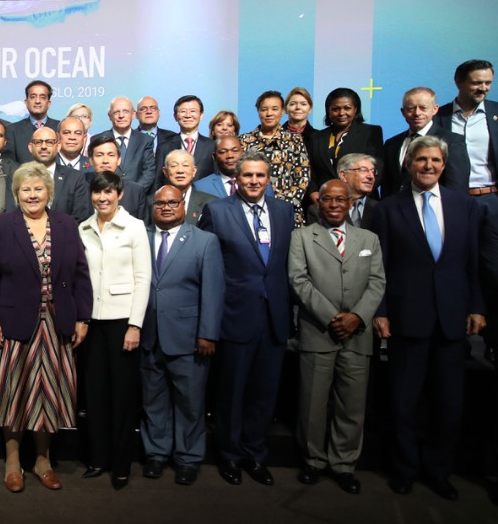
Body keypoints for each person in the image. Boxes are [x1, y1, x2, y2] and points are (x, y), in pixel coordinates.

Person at [372, 135, 485, 501]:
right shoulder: (389, 208)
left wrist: (477, 306)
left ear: (443, 164)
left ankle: (439, 471)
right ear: (408, 164)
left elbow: (472, 263)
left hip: (452, 318)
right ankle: (404, 469)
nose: (429, 166)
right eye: (422, 160)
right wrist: (383, 312)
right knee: (405, 401)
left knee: (448, 404)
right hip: (407, 318)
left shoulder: (464, 206)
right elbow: (382, 266)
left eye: (436, 160)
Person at [0, 162, 93, 492]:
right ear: (16, 194)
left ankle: (43, 459)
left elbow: (80, 274)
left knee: (47, 396)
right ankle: (12, 461)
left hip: (56, 326)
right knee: (13, 395)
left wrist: (83, 317)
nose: (32, 194)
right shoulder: (1, 225)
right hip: (13, 325)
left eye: (38, 188)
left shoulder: (67, 225)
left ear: (49, 192)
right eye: (25, 189)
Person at [197, 150, 294, 487]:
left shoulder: (284, 211)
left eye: (260, 176)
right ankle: (230, 455)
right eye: (248, 176)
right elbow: (208, 270)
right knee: (232, 393)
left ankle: (255, 454)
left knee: (264, 393)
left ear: (269, 179)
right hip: (234, 316)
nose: (254, 181)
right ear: (236, 179)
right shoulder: (216, 211)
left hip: (274, 318)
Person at [290, 179, 385, 494]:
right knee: (312, 403)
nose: (332, 205)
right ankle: (313, 461)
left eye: (339, 200)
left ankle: (343, 464)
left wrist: (357, 317)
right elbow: (299, 281)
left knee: (351, 405)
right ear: (319, 203)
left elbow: (377, 282)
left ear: (349, 203)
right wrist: (333, 317)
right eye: (327, 199)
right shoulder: (302, 236)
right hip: (319, 331)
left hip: (357, 335)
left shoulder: (368, 237)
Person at [141, 185, 224, 486]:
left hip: (189, 338)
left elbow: (213, 292)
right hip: (149, 334)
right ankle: (156, 453)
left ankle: (188, 458)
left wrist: (208, 334)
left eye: (172, 202)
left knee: (190, 402)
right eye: (160, 203)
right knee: (153, 400)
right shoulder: (141, 238)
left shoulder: (205, 241)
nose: (165, 207)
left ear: (183, 205)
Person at [77, 171, 151, 489]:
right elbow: (80, 279)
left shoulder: (134, 227)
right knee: (94, 395)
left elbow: (143, 278)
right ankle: (98, 458)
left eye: (108, 192)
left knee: (122, 396)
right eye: (97, 193)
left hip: (123, 322)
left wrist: (135, 325)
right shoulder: (83, 227)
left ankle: (121, 464)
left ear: (119, 193)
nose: (102, 198)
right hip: (91, 322)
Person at [382, 87, 469, 197]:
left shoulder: (451, 141)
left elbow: (456, 186)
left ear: (435, 109)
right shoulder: (391, 144)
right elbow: (387, 185)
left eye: (423, 108)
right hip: (396, 210)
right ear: (403, 112)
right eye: (411, 108)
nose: (417, 113)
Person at [240, 90, 311, 225]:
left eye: (274, 109)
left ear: (283, 111)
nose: (269, 114)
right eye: (264, 109)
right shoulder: (244, 140)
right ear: (258, 111)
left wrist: (283, 206)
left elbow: (302, 177)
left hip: (288, 211)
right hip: (251, 209)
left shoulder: (294, 140)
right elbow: (239, 176)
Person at [435, 59, 496, 213]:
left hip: (492, 199)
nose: (483, 88)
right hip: (451, 199)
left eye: (488, 83)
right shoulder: (438, 116)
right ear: (459, 82)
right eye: (477, 83)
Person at [306, 87, 384, 205]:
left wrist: (355, 197)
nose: (341, 113)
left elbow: (377, 170)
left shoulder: (371, 133)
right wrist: (315, 194)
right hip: (325, 203)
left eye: (347, 108)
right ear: (328, 110)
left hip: (361, 204)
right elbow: (310, 172)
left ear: (355, 109)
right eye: (335, 109)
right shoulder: (316, 137)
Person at [24, 125, 92, 223]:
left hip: (65, 236)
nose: (44, 146)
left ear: (58, 146)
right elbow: (13, 214)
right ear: (30, 147)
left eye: (50, 142)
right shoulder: (17, 177)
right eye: (38, 142)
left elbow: (80, 216)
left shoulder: (75, 178)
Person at [307, 154, 380, 228]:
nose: (371, 176)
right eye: (363, 170)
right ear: (343, 175)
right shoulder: (320, 210)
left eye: (373, 171)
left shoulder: (380, 208)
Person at [100, 96, 156, 192]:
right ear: (110, 116)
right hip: (106, 195)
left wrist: (132, 193)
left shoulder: (145, 140)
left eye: (125, 111)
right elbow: (96, 171)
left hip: (136, 197)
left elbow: (148, 172)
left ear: (133, 114)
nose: (121, 116)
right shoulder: (98, 140)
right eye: (116, 112)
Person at [85, 133, 147, 219]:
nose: (105, 161)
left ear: (119, 160)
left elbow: (144, 227)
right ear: (91, 160)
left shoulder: (135, 191)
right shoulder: (81, 187)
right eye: (99, 155)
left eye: (111, 155)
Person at [155, 95, 215, 184]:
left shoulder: (212, 146)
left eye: (193, 111)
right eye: (183, 111)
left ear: (201, 115)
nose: (188, 115)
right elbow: (158, 180)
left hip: (204, 196)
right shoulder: (164, 147)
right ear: (175, 116)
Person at [159, 149, 217, 225]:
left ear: (194, 171)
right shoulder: (152, 202)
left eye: (185, 165)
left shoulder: (210, 202)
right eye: (174, 166)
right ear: (165, 171)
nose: (180, 171)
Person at [9, 81, 60, 164]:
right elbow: (9, 164)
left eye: (42, 97)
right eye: (33, 97)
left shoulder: (60, 128)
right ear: (26, 102)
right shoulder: (12, 130)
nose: (37, 101)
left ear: (49, 103)